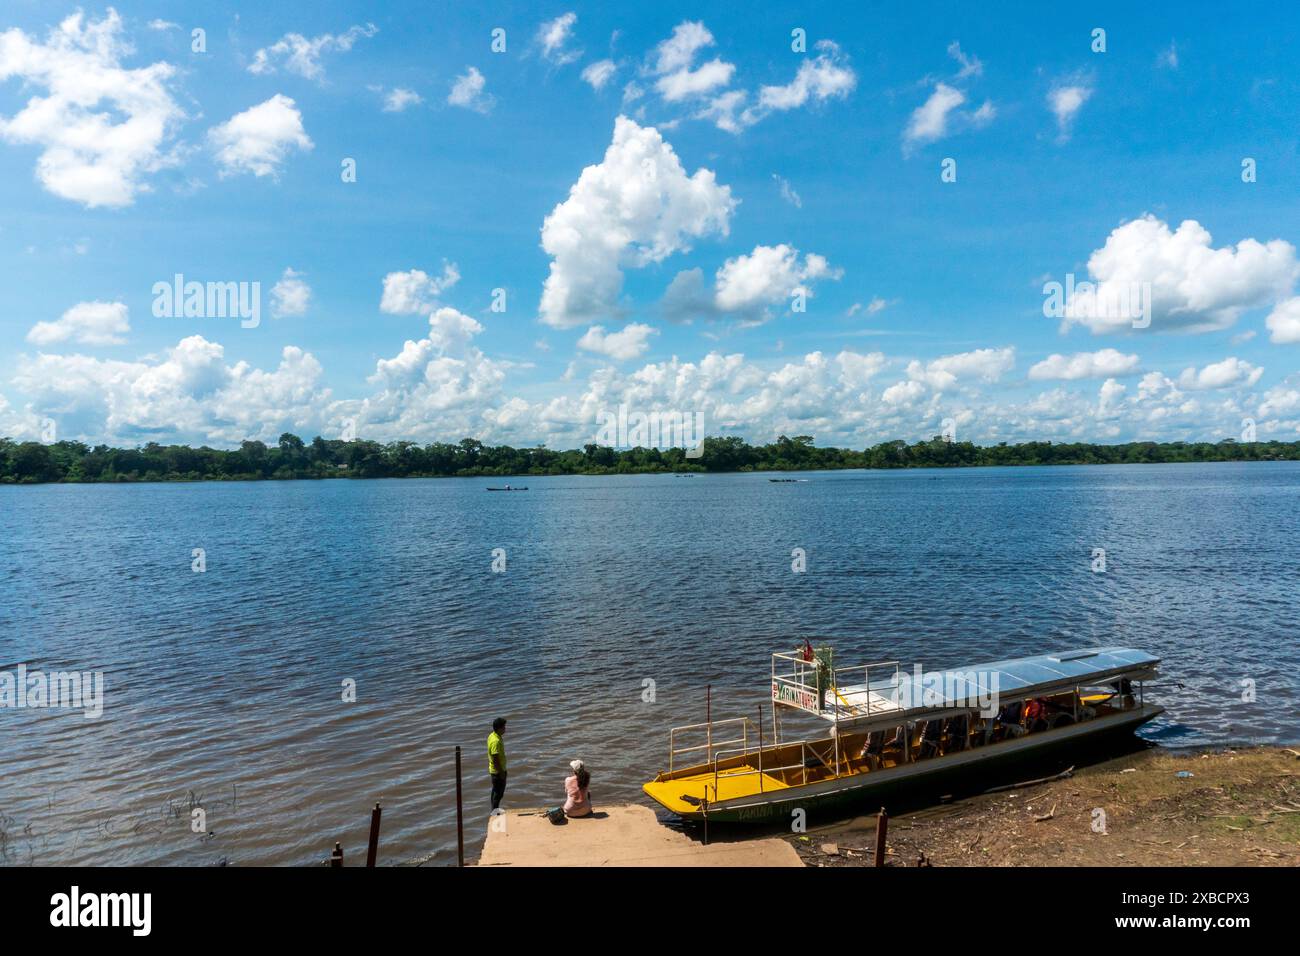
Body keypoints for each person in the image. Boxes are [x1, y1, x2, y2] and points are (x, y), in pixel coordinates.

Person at [487, 717, 507, 811]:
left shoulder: (492, 735)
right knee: (499, 793)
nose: (505, 729)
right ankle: (495, 811)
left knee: (495, 791)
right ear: (499, 728)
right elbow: (495, 759)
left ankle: (494, 809)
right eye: (503, 727)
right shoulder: (496, 741)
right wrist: (501, 772)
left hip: (494, 770)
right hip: (498, 771)